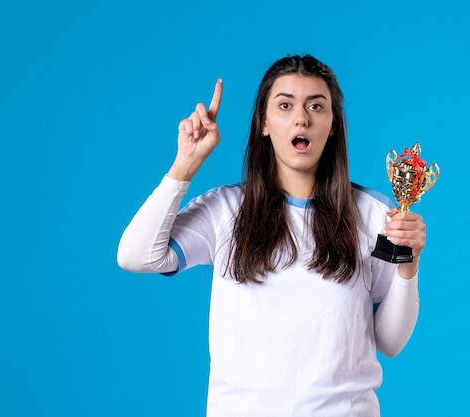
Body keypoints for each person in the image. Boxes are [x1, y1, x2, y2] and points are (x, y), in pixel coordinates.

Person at [117, 54, 425, 417]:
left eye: (316, 106)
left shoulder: (374, 214)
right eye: (285, 105)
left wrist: (409, 265)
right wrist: (186, 163)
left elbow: (390, 342)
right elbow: (135, 256)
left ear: (333, 125)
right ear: (264, 123)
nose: (301, 118)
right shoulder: (226, 209)